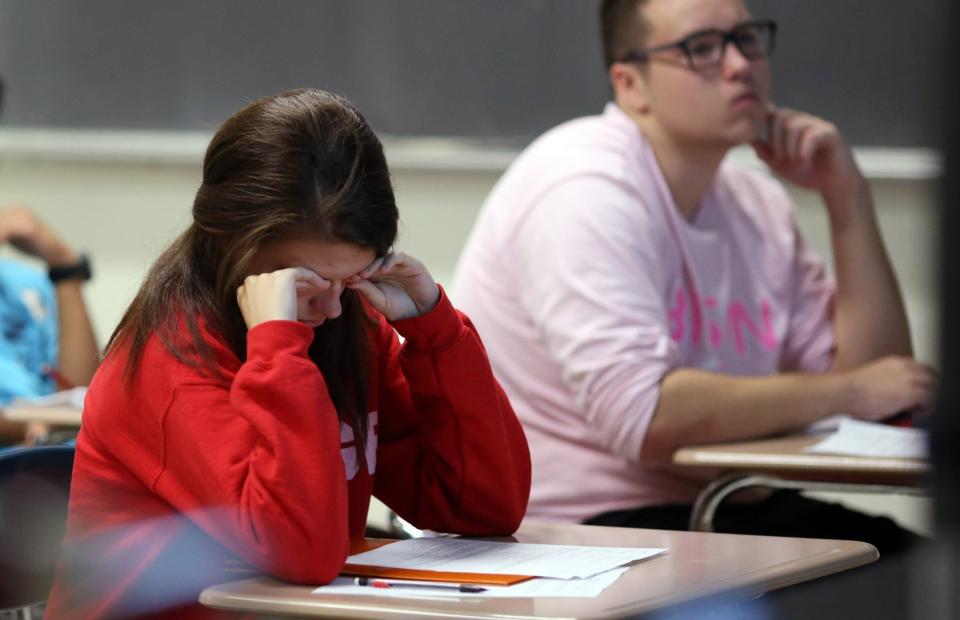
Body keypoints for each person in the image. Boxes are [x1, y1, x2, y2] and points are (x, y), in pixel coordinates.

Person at [452, 0, 934, 552]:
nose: (739, 65)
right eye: (700, 49)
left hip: (721, 505)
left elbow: (885, 390)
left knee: (922, 573)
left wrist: (846, 198)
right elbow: (642, 415)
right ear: (631, 84)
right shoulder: (582, 185)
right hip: (576, 528)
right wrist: (849, 391)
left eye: (747, 39)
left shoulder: (755, 202)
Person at [45, 89, 531, 619]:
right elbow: (303, 553)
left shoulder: (347, 328)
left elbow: (482, 508)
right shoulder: (171, 363)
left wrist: (434, 331)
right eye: (303, 283)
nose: (332, 307)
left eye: (348, 280)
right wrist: (277, 350)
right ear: (232, 244)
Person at [0, 205, 99, 443]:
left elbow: (79, 392)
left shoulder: (26, 284)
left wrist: (64, 266)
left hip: (50, 461)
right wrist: (29, 429)